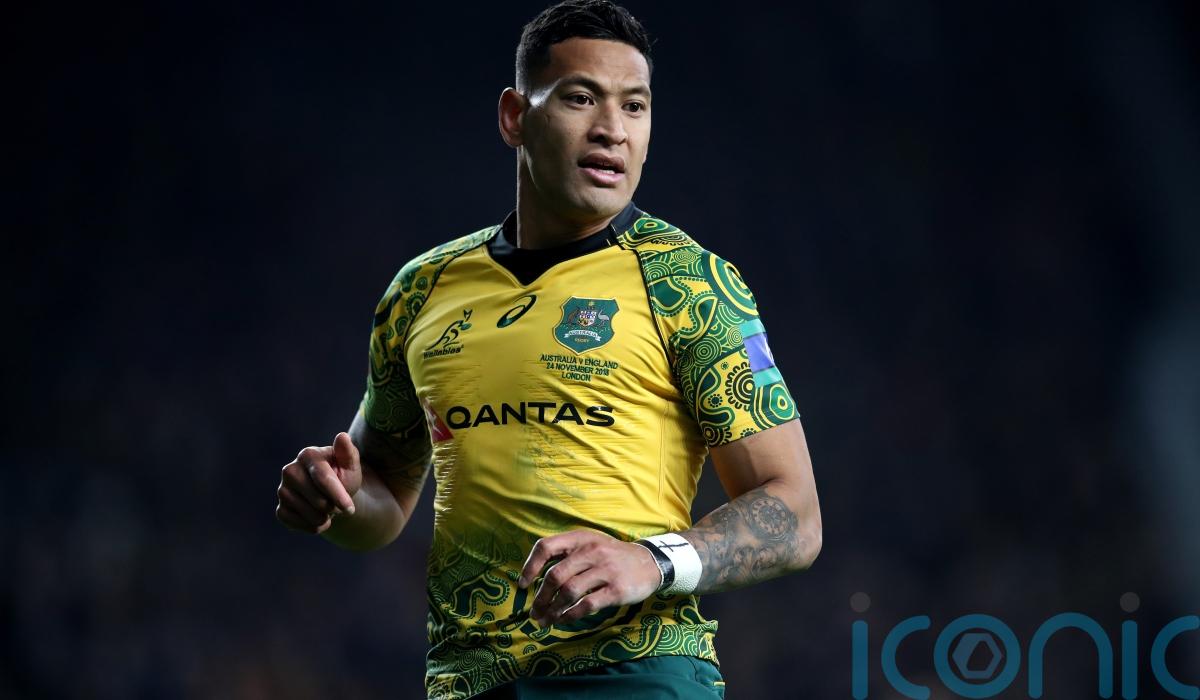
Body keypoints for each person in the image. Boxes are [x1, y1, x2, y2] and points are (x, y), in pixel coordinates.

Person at [274, 1, 822, 697]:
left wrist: (651, 560)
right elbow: (381, 502)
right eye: (580, 98)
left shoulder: (688, 283)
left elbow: (795, 515)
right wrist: (340, 498)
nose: (612, 129)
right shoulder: (422, 290)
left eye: (634, 106)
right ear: (514, 116)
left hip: (634, 673)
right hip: (466, 683)